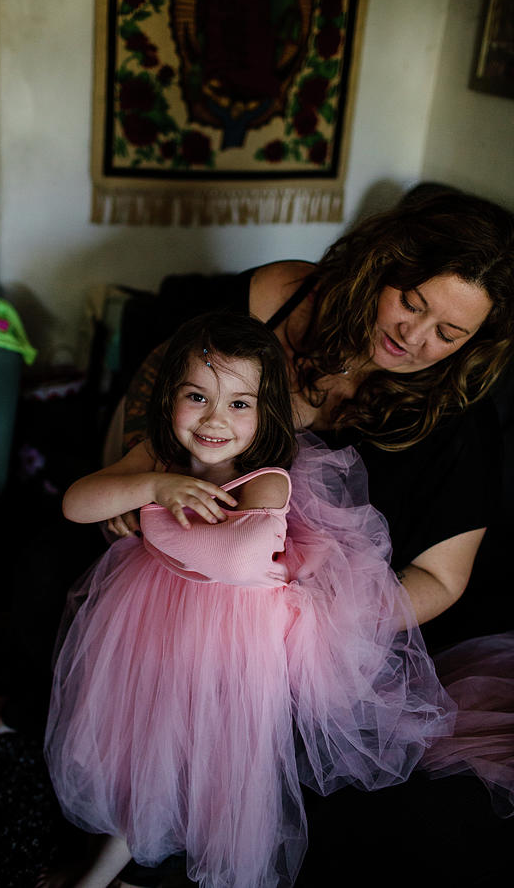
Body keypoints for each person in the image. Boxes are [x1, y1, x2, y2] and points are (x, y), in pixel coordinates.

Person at [100, 186, 514, 887]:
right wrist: (139, 465)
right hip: (187, 552)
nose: (414, 340)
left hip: (313, 618)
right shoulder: (282, 295)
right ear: (382, 265)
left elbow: (442, 579)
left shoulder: (461, 423)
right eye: (411, 302)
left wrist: (321, 619)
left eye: (448, 333)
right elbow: (168, 375)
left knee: (250, 722)